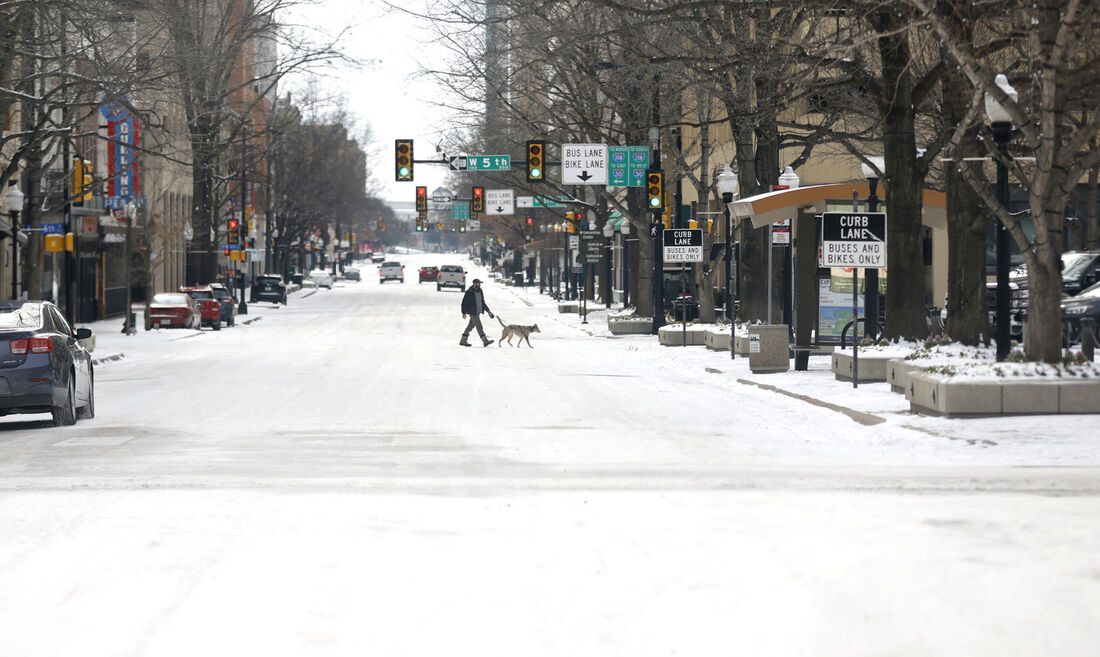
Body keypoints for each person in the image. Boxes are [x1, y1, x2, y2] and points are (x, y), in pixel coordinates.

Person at [459, 278, 495, 347]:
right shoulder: (469, 292)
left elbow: (482, 302)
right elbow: (464, 303)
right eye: (478, 283)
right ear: (474, 283)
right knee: (479, 326)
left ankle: (463, 340)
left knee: (470, 326)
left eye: (480, 283)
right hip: (472, 312)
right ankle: (485, 340)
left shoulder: (480, 291)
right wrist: (463, 312)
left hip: (478, 312)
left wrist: (488, 311)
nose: (479, 284)